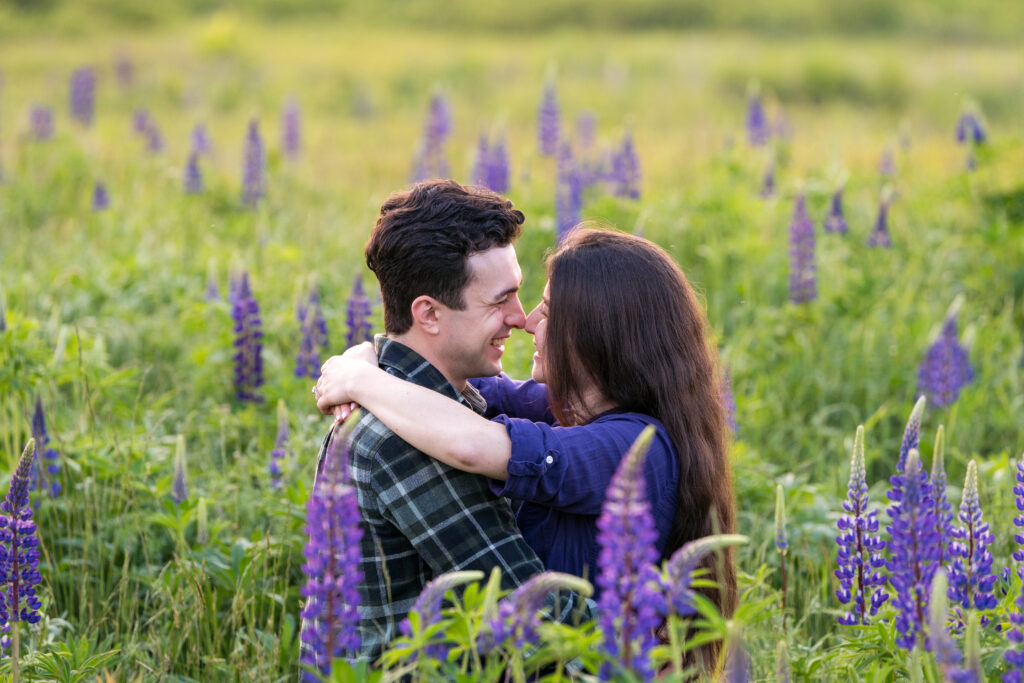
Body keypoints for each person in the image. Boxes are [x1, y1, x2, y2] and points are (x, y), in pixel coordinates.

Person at [316, 227, 738, 668]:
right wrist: (366, 356)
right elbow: (448, 378)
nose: (529, 319)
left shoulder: (638, 447)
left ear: (599, 336)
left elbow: (471, 446)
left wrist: (363, 381)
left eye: (550, 311)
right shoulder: (569, 405)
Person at [312, 180, 589, 661]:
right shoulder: (408, 439)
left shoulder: (413, 398)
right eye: (499, 301)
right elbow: (543, 623)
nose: (520, 318)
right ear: (429, 314)